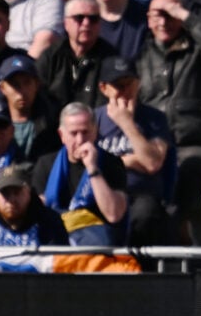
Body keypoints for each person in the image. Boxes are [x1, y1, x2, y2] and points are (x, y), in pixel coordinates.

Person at [138, 0, 201, 241]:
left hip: (191, 142)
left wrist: (185, 15)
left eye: (171, 15)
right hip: (153, 145)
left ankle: (178, 236)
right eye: (159, 16)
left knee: (186, 170)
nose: (164, 22)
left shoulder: (198, 51)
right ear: (148, 19)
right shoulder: (141, 54)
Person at [95, 56, 174, 246]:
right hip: (105, 193)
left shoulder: (154, 118)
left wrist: (126, 123)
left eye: (128, 84)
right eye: (118, 86)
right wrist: (128, 161)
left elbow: (152, 163)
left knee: (145, 214)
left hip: (142, 194)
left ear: (137, 84)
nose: (124, 91)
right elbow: (87, 164)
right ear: (104, 88)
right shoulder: (93, 119)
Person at [33, 102, 129, 245]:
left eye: (85, 132)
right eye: (73, 133)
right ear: (62, 135)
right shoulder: (46, 164)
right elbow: (36, 214)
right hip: (57, 246)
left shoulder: (111, 163)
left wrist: (93, 169)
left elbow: (114, 214)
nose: (80, 140)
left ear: (95, 132)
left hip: (98, 246)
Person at [36, 0, 117, 110]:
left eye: (93, 19)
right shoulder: (51, 56)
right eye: (79, 18)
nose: (86, 23)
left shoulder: (112, 59)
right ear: (65, 24)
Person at [0, 53, 61, 161]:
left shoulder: (52, 124)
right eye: (15, 85)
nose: (22, 91)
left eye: (27, 83)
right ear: (2, 88)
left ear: (36, 84)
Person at [0, 162, 68, 246]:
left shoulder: (50, 221)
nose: (12, 199)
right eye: (5, 193)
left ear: (28, 192)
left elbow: (60, 257)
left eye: (17, 192)